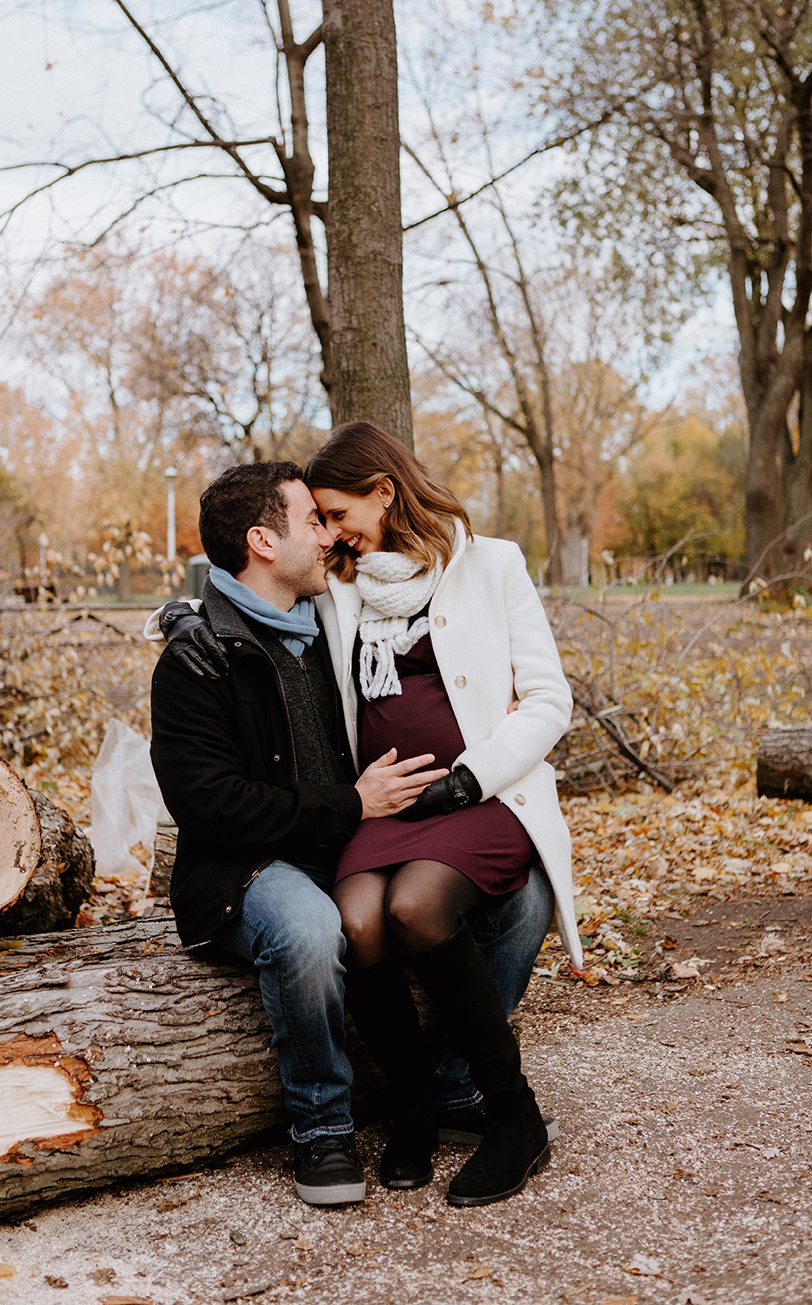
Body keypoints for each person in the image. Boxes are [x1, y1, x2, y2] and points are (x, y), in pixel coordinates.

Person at [149, 461, 449, 1208]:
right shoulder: (196, 661)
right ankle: (322, 1128)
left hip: (351, 846)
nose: (328, 536)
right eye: (310, 521)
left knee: (512, 897)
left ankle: (454, 1086)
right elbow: (210, 806)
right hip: (247, 868)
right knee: (312, 929)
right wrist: (349, 806)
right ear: (261, 540)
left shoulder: (334, 623)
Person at [300, 421, 582, 1208]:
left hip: (481, 795)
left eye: (336, 512)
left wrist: (466, 780)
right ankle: (416, 1110)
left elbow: (550, 698)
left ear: (383, 491)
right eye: (318, 520)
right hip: (385, 808)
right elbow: (268, 595)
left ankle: (513, 1117)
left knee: (416, 907)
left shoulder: (489, 564)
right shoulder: (341, 584)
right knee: (357, 920)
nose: (329, 530)